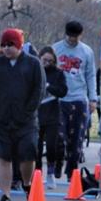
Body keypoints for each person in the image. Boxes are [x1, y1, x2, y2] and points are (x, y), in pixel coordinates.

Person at [0, 28, 45, 201]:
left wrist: (28, 111)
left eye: (11, 45)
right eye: (4, 45)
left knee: (27, 154)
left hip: (26, 120)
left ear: (19, 46)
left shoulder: (33, 64)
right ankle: (6, 195)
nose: (7, 48)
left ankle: (27, 184)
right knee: (4, 156)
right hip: (1, 119)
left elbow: (38, 90)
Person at [51, 21, 97, 179]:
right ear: (66, 34)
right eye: (70, 37)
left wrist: (93, 99)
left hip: (79, 98)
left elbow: (91, 75)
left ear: (80, 35)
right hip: (59, 99)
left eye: (76, 37)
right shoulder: (56, 49)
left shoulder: (87, 51)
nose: (73, 40)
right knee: (59, 137)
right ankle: (57, 164)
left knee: (77, 138)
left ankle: (72, 172)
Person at [36, 46, 68, 189]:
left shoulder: (58, 74)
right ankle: (36, 173)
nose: (47, 63)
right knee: (35, 146)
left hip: (52, 114)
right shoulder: (35, 70)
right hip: (36, 114)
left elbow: (63, 91)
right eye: (44, 60)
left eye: (50, 60)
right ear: (40, 58)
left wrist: (49, 86)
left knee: (51, 145)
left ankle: (50, 173)